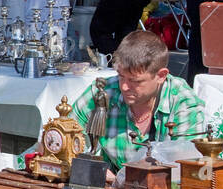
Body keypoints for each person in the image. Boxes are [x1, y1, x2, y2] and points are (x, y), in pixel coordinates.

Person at [71, 30, 205, 175]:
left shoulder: (183, 102)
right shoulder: (103, 92)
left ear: (161, 76)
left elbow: (188, 170)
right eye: (121, 77)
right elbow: (66, 137)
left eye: (135, 81)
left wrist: (118, 179)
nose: (124, 87)